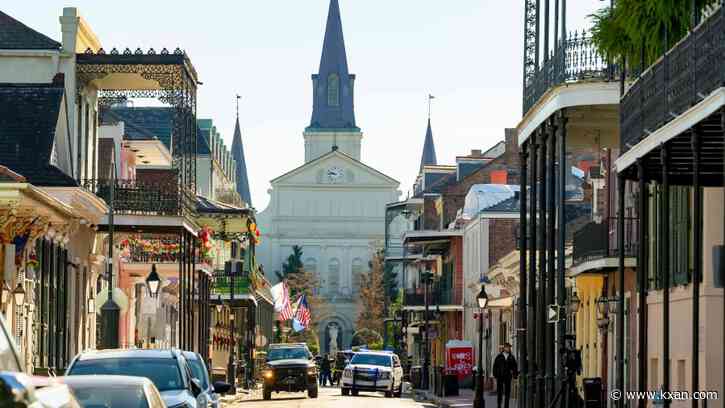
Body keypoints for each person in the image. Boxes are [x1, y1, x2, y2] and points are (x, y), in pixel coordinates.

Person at [492, 343, 518, 408]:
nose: (509, 349)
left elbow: (514, 367)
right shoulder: (499, 356)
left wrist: (515, 375)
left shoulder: (511, 357)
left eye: (509, 347)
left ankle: (506, 406)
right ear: (504, 348)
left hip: (507, 376)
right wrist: (495, 375)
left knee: (507, 392)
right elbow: (495, 366)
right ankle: (499, 405)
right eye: (507, 347)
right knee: (499, 392)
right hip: (500, 376)